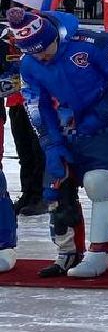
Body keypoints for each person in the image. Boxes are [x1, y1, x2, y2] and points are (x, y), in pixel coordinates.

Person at [4, 7, 108, 279]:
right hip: (66, 120)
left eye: (44, 49)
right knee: (57, 183)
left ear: (55, 37)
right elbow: (36, 105)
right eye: (33, 53)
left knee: (99, 182)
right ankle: (67, 252)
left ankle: (100, 251)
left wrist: (99, 116)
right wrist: (51, 143)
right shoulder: (30, 63)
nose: (42, 57)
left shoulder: (98, 44)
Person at [4, 37, 46, 216]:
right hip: (16, 100)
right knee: (24, 152)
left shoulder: (40, 35)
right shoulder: (8, 37)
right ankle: (28, 193)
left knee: (39, 151)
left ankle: (42, 195)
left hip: (37, 102)